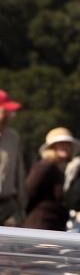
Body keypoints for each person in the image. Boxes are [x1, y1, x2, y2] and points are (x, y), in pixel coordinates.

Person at [24, 127, 79, 232]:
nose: (65, 147)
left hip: (52, 228)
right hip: (40, 227)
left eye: (67, 144)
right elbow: (27, 192)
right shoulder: (45, 166)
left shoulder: (58, 169)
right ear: (51, 147)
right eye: (60, 143)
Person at [0, 89, 25, 228]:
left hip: (8, 204)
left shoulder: (13, 137)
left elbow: (19, 172)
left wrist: (21, 205)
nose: (10, 115)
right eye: (5, 111)